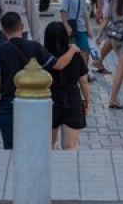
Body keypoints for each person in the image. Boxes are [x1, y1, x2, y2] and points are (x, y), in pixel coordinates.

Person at [0, 12, 77, 148]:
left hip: (8, 104)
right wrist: (72, 50)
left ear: (4, 31)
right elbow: (58, 65)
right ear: (22, 27)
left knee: (10, 146)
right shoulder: (35, 47)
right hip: (34, 103)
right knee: (31, 144)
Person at [44, 20, 90, 150]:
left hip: (49, 101)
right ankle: (69, 170)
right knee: (70, 147)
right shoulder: (75, 55)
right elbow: (84, 82)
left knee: (49, 146)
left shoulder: (44, 56)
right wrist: (87, 102)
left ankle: (50, 170)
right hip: (72, 101)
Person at [60, 0, 94, 75]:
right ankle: (72, 72)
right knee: (72, 51)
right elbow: (63, 13)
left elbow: (85, 15)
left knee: (85, 49)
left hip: (81, 28)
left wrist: (89, 28)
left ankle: (84, 72)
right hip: (71, 28)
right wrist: (66, 25)